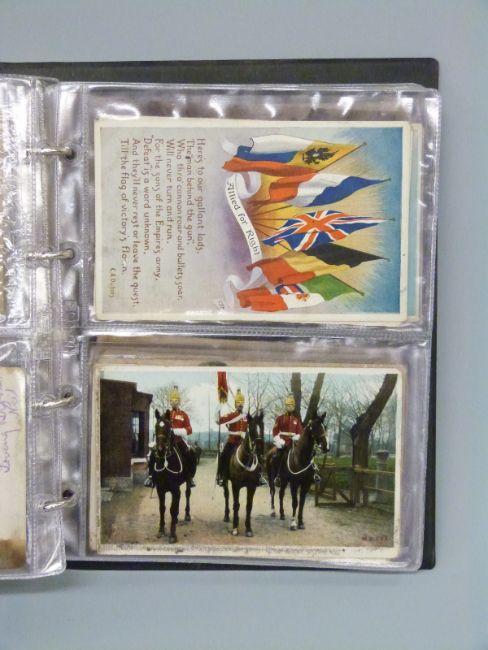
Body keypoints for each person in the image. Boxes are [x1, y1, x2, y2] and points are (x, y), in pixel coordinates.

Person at [145, 386, 197, 488]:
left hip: (178, 440)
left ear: (179, 402)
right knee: (153, 453)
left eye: (176, 400)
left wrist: (177, 431)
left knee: (190, 454)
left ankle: (189, 478)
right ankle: (150, 477)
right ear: (170, 402)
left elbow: (189, 429)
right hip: (166, 441)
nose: (174, 402)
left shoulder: (184, 415)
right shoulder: (166, 414)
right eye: (172, 401)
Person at [216, 389, 266, 487]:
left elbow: (252, 426)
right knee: (224, 455)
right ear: (235, 404)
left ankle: (259, 475)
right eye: (238, 402)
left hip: (243, 442)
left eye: (242, 402)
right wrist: (218, 409)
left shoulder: (246, 417)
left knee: (256, 454)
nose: (240, 404)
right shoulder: (231, 415)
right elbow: (219, 420)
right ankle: (222, 476)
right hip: (232, 441)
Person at [272, 394, 303, 487]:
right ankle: (277, 476)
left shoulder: (296, 420)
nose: (290, 407)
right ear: (285, 406)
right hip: (283, 441)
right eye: (288, 405)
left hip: (294, 442)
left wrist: (297, 437)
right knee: (278, 456)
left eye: (292, 406)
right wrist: (278, 440)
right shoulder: (280, 418)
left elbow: (300, 431)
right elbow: (275, 431)